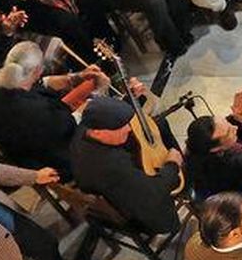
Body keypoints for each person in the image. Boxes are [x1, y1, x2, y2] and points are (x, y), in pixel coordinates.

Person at [0, 42, 99, 175]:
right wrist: (89, 104)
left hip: (25, 145)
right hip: (53, 159)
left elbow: (40, 83)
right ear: (37, 70)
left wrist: (76, 77)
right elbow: (69, 124)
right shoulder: (36, 112)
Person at [71, 96, 183, 234]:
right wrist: (172, 164)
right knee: (173, 183)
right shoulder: (112, 165)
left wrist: (133, 99)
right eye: (120, 127)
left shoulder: (85, 128)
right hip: (131, 207)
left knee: (158, 125)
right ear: (98, 132)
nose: (129, 129)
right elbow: (153, 193)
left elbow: (113, 117)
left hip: (107, 183)